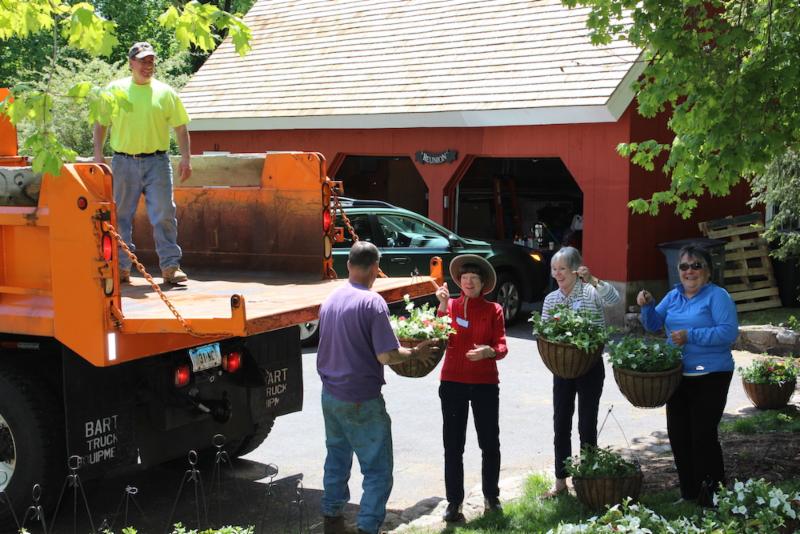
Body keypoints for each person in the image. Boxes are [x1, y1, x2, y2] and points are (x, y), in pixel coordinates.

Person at [316, 241, 440, 534]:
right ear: (375, 269)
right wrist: (416, 353)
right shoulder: (373, 303)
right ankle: (367, 527)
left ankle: (332, 519)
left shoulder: (331, 299)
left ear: (348, 265)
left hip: (330, 394)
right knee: (377, 470)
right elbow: (386, 355)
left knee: (337, 457)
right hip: (361, 398)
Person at [637, 244, 738, 506]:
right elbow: (654, 325)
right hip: (679, 375)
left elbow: (728, 332)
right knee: (679, 436)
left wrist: (691, 335)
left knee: (703, 435)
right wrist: (647, 306)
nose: (689, 271)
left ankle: (715, 495)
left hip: (712, 374)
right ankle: (689, 494)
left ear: (707, 271)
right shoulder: (673, 296)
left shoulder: (718, 296)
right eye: (684, 266)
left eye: (696, 266)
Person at [93, 41, 192, 284]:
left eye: (151, 61)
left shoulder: (165, 93)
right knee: (121, 216)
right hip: (123, 162)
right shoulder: (114, 91)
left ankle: (170, 267)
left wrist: (186, 158)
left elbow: (181, 128)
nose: (148, 65)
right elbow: (100, 124)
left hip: (157, 162)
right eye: (143, 60)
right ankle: (122, 268)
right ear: (131, 63)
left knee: (164, 214)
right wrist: (98, 154)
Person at [541, 246, 620, 498]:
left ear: (575, 269)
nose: (558, 274)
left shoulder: (589, 292)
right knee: (560, 424)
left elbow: (614, 300)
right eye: (554, 269)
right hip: (562, 369)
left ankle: (588, 478)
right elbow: (544, 333)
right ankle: (561, 482)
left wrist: (594, 279)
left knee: (587, 424)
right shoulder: (551, 299)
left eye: (562, 269)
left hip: (589, 367)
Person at [434, 254, 508, 522]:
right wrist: (442, 306)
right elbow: (438, 334)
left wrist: (489, 351)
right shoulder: (450, 305)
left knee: (490, 443)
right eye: (464, 278)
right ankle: (454, 502)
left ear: (483, 283)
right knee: (453, 446)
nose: (468, 283)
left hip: (485, 384)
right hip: (452, 382)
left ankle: (491, 496)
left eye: (473, 279)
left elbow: (502, 346)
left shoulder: (494, 310)